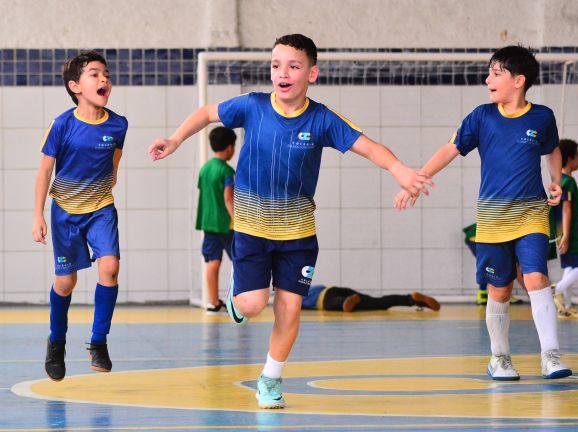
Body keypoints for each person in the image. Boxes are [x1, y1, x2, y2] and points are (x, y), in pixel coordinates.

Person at [148, 34, 432, 409]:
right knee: (251, 306)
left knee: (290, 307)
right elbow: (205, 114)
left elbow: (369, 146)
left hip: (298, 235)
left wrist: (398, 168)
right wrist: (175, 139)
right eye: (276, 65)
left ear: (312, 73)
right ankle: (239, 297)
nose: (282, 73)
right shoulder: (251, 106)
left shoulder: (322, 119)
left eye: (293, 66)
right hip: (251, 229)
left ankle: (270, 378)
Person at [396, 45, 571, 381]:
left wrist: (556, 180)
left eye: (495, 73)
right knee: (500, 289)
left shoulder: (542, 117)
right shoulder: (481, 117)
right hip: (492, 220)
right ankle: (499, 358)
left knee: (537, 278)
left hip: (532, 213)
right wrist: (416, 180)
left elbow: (552, 150)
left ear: (518, 81)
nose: (487, 78)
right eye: (489, 72)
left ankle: (550, 355)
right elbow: (450, 149)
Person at [32, 51, 128, 381]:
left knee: (110, 268)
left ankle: (98, 343)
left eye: (106, 74)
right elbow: (45, 171)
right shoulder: (62, 124)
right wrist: (38, 216)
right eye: (94, 74)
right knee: (66, 282)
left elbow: (114, 164)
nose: (104, 79)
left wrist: (103, 182)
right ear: (76, 86)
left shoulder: (118, 124)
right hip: (65, 214)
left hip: (101, 208)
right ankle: (56, 341)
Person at [551, 139, 578, 319]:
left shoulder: (559, 180)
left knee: (570, 265)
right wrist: (568, 235)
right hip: (570, 231)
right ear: (570, 159)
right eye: (577, 157)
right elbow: (566, 208)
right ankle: (556, 290)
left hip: (562, 230)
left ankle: (565, 307)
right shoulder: (567, 181)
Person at [196, 126, 236, 314]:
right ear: (229, 148)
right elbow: (229, 198)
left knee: (213, 261)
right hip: (226, 224)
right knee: (239, 261)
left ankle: (213, 302)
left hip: (208, 223)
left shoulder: (205, 169)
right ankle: (236, 301)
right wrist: (236, 219)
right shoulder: (227, 171)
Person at [463, 223, 524, 305]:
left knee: (504, 265)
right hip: (477, 236)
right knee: (488, 264)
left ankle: (504, 291)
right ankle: (482, 293)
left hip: (495, 234)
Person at [301, 285, 440, 312]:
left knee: (331, 304)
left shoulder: (294, 298)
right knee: (377, 301)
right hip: (330, 288)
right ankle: (411, 299)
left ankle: (346, 302)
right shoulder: (305, 285)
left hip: (324, 299)